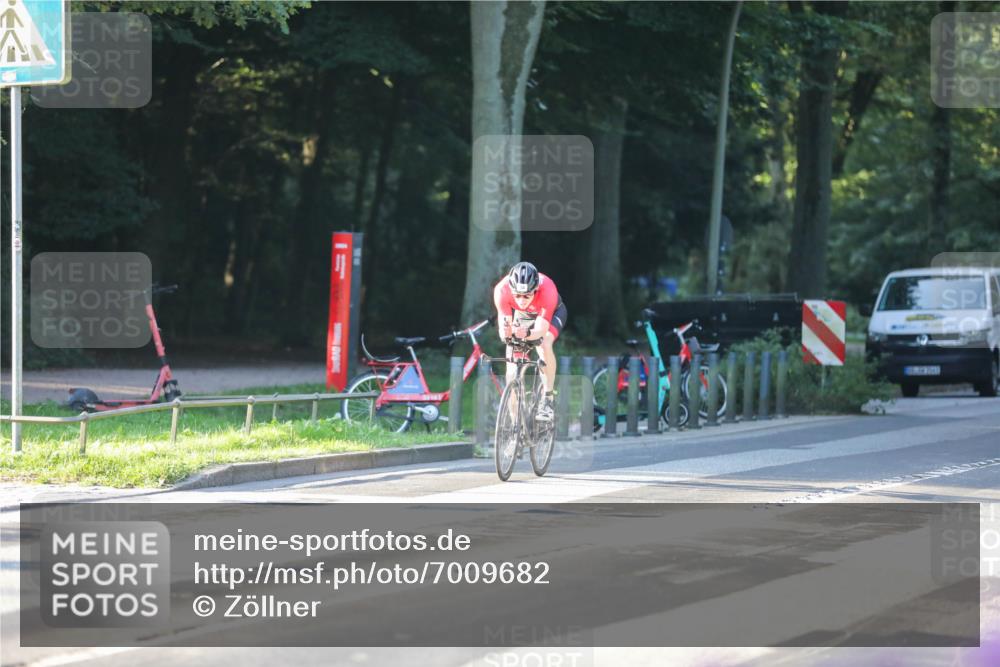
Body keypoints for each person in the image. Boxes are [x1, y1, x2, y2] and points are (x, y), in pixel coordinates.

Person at [493, 262, 567, 421]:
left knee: (544, 343)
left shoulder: (547, 289)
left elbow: (540, 330)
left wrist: (526, 333)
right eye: (517, 295)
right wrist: (506, 333)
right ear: (511, 290)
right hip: (524, 316)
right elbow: (503, 327)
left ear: (535, 290)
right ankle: (515, 424)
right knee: (511, 366)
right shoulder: (501, 290)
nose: (521, 300)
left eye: (527, 295)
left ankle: (548, 398)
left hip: (551, 314)